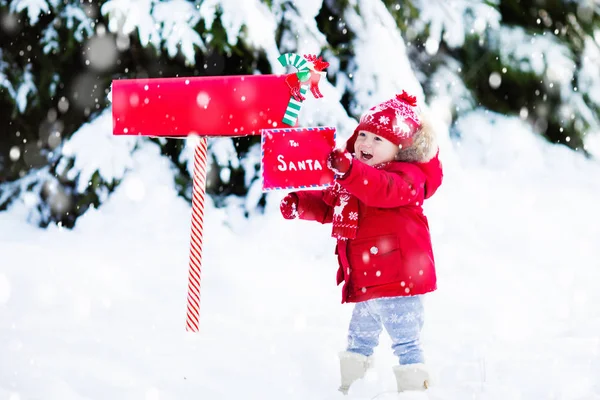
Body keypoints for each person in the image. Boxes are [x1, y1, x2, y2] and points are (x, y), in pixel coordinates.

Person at [279, 91, 443, 395]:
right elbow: (331, 206)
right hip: (366, 279)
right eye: (363, 135)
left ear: (400, 149)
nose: (365, 144)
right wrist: (300, 204)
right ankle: (351, 389)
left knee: (405, 341)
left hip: (399, 280)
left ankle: (416, 391)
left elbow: (381, 189)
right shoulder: (352, 177)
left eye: (378, 140)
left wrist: (350, 171)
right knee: (358, 340)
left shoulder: (407, 178)